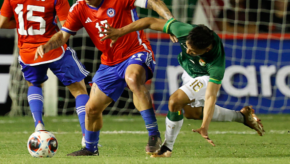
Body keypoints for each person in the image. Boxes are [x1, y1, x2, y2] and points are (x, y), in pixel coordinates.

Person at [35, 0, 176, 156]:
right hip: (110, 63)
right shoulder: (79, 8)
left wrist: (171, 22)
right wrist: (47, 45)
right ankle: (90, 149)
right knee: (92, 109)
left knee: (133, 78)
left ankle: (154, 134)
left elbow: (154, 3)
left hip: (136, 51)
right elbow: (63, 35)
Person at [100, 17, 265, 157]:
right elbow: (150, 21)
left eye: (193, 51)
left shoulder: (216, 65)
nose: (188, 50)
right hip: (190, 72)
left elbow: (210, 97)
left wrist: (204, 127)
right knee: (191, 113)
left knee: (174, 101)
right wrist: (121, 31)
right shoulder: (184, 30)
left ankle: (166, 147)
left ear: (206, 49)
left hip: (205, 76)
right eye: (187, 46)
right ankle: (242, 116)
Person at [0, 0, 89, 145]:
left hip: (28, 53)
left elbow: (2, 23)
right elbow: (67, 27)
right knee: (80, 90)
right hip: (53, 49)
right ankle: (87, 137)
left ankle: (39, 125)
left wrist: (24, 26)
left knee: (34, 84)